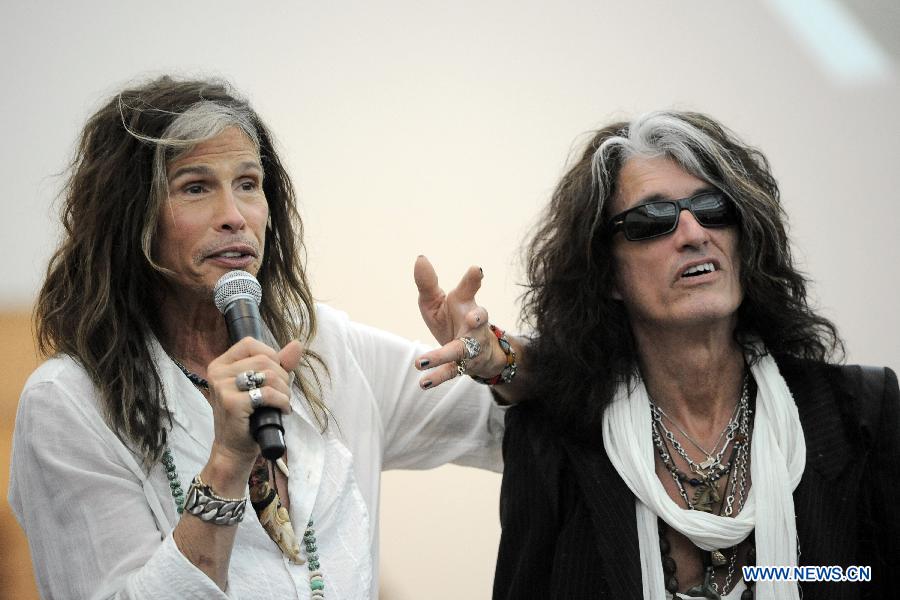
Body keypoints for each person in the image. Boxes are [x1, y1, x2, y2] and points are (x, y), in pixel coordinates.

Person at [8, 76, 527, 599]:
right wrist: (227, 463)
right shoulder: (69, 404)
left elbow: (522, 423)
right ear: (129, 219)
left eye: (249, 184)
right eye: (195, 186)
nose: (234, 217)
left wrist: (495, 358)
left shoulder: (324, 347)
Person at [493, 111, 899, 599]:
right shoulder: (552, 439)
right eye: (651, 220)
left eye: (714, 207)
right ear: (605, 274)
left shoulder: (862, 412)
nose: (692, 233)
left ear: (745, 238)